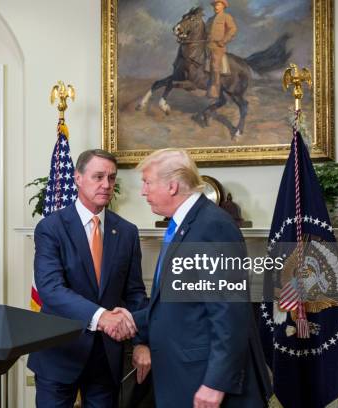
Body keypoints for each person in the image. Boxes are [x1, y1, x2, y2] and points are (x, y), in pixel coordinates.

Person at [134, 148, 270, 408]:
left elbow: (229, 312)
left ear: (172, 186)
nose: (143, 191)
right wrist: (131, 320)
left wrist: (216, 383)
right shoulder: (183, 224)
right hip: (183, 374)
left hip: (204, 380)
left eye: (147, 182)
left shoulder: (212, 226)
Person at [28, 149, 149, 408]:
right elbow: (51, 289)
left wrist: (142, 343)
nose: (106, 185)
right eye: (98, 177)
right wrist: (101, 317)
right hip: (59, 354)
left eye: (111, 178)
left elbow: (135, 293)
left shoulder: (126, 232)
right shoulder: (51, 228)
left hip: (106, 359)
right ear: (78, 178)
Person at [206, 0, 237, 98]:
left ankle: (215, 90)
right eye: (215, 5)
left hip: (218, 47)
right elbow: (205, 32)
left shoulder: (226, 17)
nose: (216, 6)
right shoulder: (210, 19)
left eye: (218, 4)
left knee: (215, 67)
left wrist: (223, 41)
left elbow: (233, 29)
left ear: (223, 6)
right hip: (207, 46)